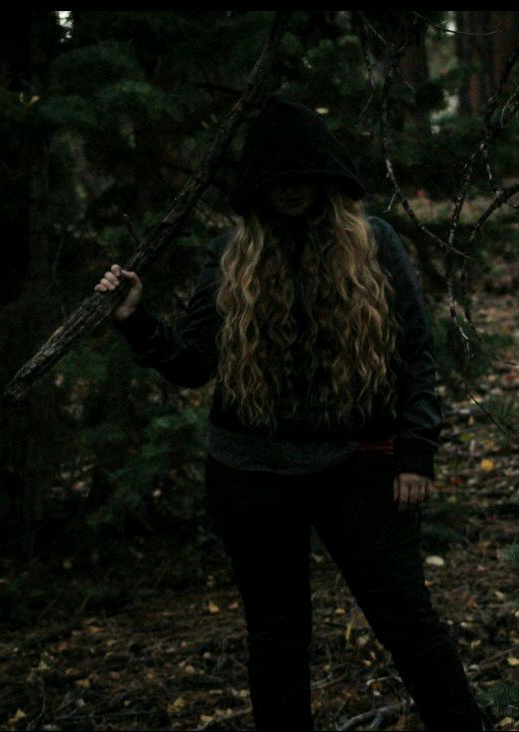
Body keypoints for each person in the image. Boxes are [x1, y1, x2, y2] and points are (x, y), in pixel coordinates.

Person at [96, 95, 485, 730]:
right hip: (250, 473)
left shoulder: (375, 243)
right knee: (276, 637)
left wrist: (416, 453)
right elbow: (195, 364)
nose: (293, 189)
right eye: (279, 179)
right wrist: (137, 321)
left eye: (304, 175)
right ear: (258, 186)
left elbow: (415, 354)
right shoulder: (231, 254)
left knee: (408, 622)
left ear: (328, 175)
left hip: (357, 463)